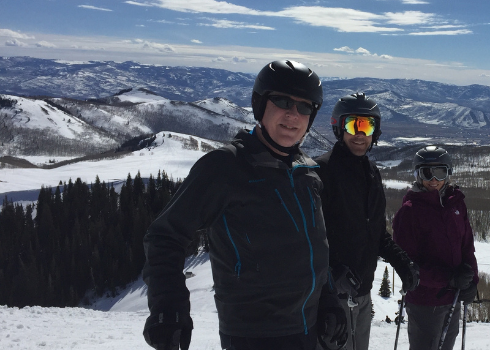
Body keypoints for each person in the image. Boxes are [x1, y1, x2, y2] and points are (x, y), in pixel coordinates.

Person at [141, 60, 348, 350]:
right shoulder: (226, 168)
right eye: (282, 101)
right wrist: (169, 307)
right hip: (254, 335)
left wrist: (327, 300)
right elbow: (165, 237)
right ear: (260, 104)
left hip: (308, 330)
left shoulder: (306, 174)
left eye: (304, 107)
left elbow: (314, 249)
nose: (293, 114)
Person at [314, 92, 420, 350]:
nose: (360, 134)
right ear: (339, 128)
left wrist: (401, 262)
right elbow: (306, 239)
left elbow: (375, 233)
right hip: (328, 298)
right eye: (353, 124)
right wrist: (331, 272)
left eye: (368, 125)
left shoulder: (371, 174)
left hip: (361, 294)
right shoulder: (321, 172)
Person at [391, 145, 479, 350]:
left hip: (454, 296)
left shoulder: (455, 204)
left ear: (448, 173)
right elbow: (407, 265)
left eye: (440, 172)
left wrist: (472, 280)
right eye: (426, 173)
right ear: (417, 175)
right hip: (425, 300)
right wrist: (447, 278)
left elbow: (467, 246)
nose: (433, 180)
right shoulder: (409, 212)